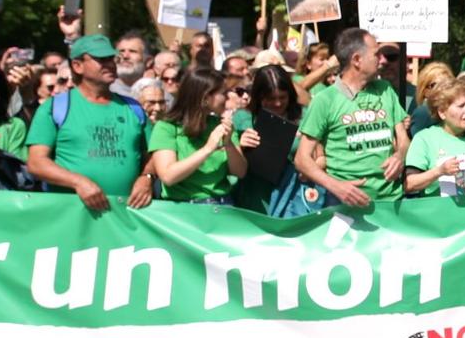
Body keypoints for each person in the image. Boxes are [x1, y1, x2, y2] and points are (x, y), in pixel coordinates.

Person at [25, 34, 155, 210]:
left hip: (126, 218)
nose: (110, 64)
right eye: (101, 59)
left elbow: (155, 155)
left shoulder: (133, 107)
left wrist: (147, 177)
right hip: (71, 217)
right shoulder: (56, 107)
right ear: (77, 66)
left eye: (111, 58)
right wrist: (78, 182)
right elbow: (36, 163)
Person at [295, 27, 409, 211]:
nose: (383, 59)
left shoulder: (386, 89)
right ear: (357, 59)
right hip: (345, 206)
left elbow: (403, 139)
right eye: (376, 54)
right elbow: (302, 159)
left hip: (391, 203)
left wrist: (399, 156)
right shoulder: (325, 100)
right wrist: (336, 187)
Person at [145, 65, 249, 203]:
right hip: (185, 211)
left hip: (222, 207)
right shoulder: (166, 127)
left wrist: (229, 144)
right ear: (205, 97)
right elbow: (168, 176)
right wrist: (208, 148)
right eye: (223, 93)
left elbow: (240, 172)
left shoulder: (222, 125)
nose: (228, 98)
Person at [231, 64, 307, 216]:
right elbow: (229, 162)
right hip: (256, 199)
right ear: (259, 96)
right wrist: (241, 146)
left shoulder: (304, 116)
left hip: (293, 197)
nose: (278, 103)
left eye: (282, 97)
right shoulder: (244, 118)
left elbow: (321, 156)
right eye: (271, 98)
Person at [111, 30, 151, 100]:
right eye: (121, 51)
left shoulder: (159, 95)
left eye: (132, 51)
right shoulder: (104, 92)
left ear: (148, 61)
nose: (125, 56)